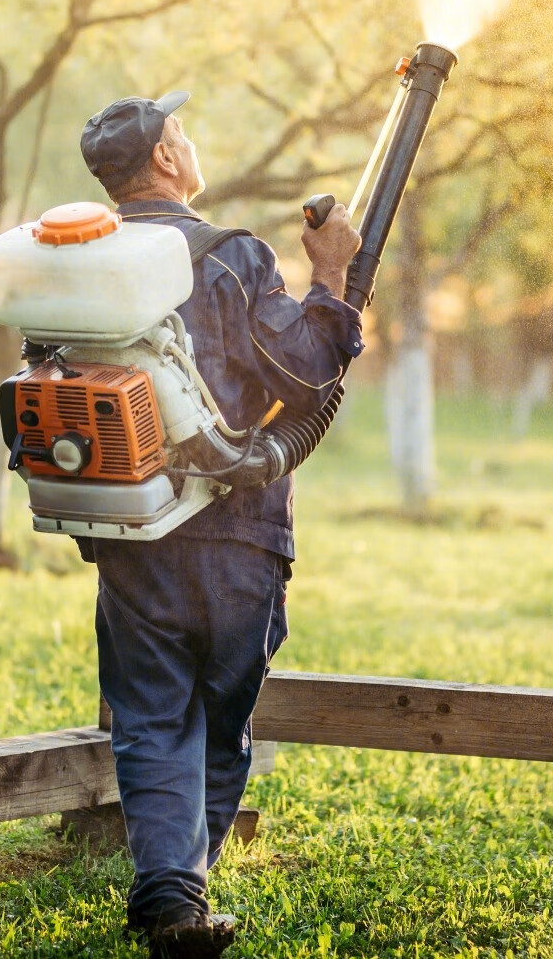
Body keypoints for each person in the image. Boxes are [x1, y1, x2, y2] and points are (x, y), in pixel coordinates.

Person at [75, 91, 364, 959]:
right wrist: (335, 277)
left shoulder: (84, 263)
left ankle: (173, 900)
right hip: (238, 540)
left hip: (134, 539)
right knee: (220, 721)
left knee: (152, 718)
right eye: (184, 134)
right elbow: (309, 377)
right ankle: (178, 901)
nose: (191, 143)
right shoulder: (230, 256)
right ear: (166, 158)